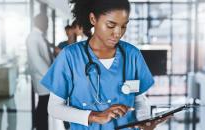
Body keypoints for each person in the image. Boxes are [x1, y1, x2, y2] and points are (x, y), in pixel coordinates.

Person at [41, 0, 170, 130]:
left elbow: (139, 100)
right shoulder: (70, 56)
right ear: (93, 19)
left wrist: (145, 123)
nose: (118, 33)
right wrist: (94, 116)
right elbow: (54, 108)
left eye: (124, 26)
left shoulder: (132, 55)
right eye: (111, 25)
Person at [26, 13, 53, 130]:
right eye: (46, 22)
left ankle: (38, 125)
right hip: (42, 78)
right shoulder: (33, 37)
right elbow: (37, 61)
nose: (48, 25)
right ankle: (40, 127)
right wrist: (50, 77)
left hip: (44, 77)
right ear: (40, 22)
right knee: (43, 105)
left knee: (43, 105)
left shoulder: (39, 36)